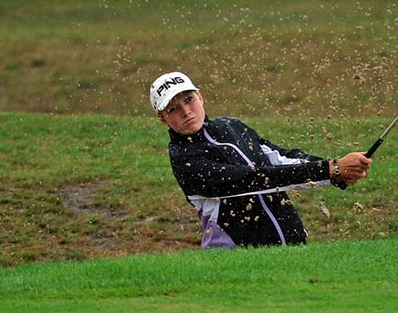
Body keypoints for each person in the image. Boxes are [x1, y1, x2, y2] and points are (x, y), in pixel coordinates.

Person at [150, 71, 372, 249]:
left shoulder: (231, 126)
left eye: (189, 100)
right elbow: (255, 180)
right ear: (162, 118)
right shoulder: (185, 160)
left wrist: (337, 172)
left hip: (292, 246)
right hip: (237, 257)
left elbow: (280, 158)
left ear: (200, 96)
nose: (186, 111)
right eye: (174, 109)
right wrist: (330, 170)